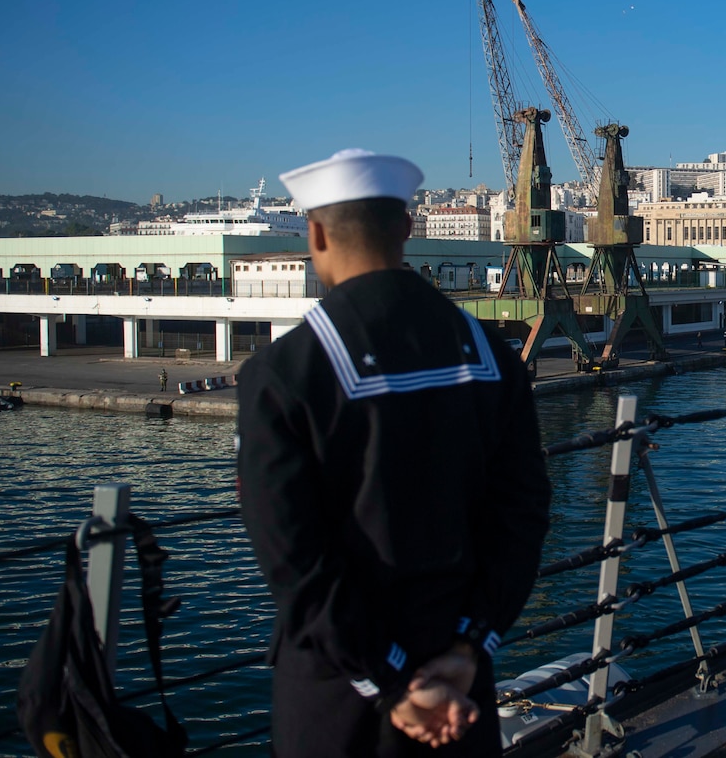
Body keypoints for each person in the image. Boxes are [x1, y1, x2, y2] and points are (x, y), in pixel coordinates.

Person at [237, 149, 552, 757]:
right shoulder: (489, 353)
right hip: (461, 678)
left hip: (339, 696)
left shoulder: (284, 372)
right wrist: (467, 647)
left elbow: (293, 560)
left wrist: (393, 676)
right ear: (407, 228)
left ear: (316, 233)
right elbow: (524, 514)